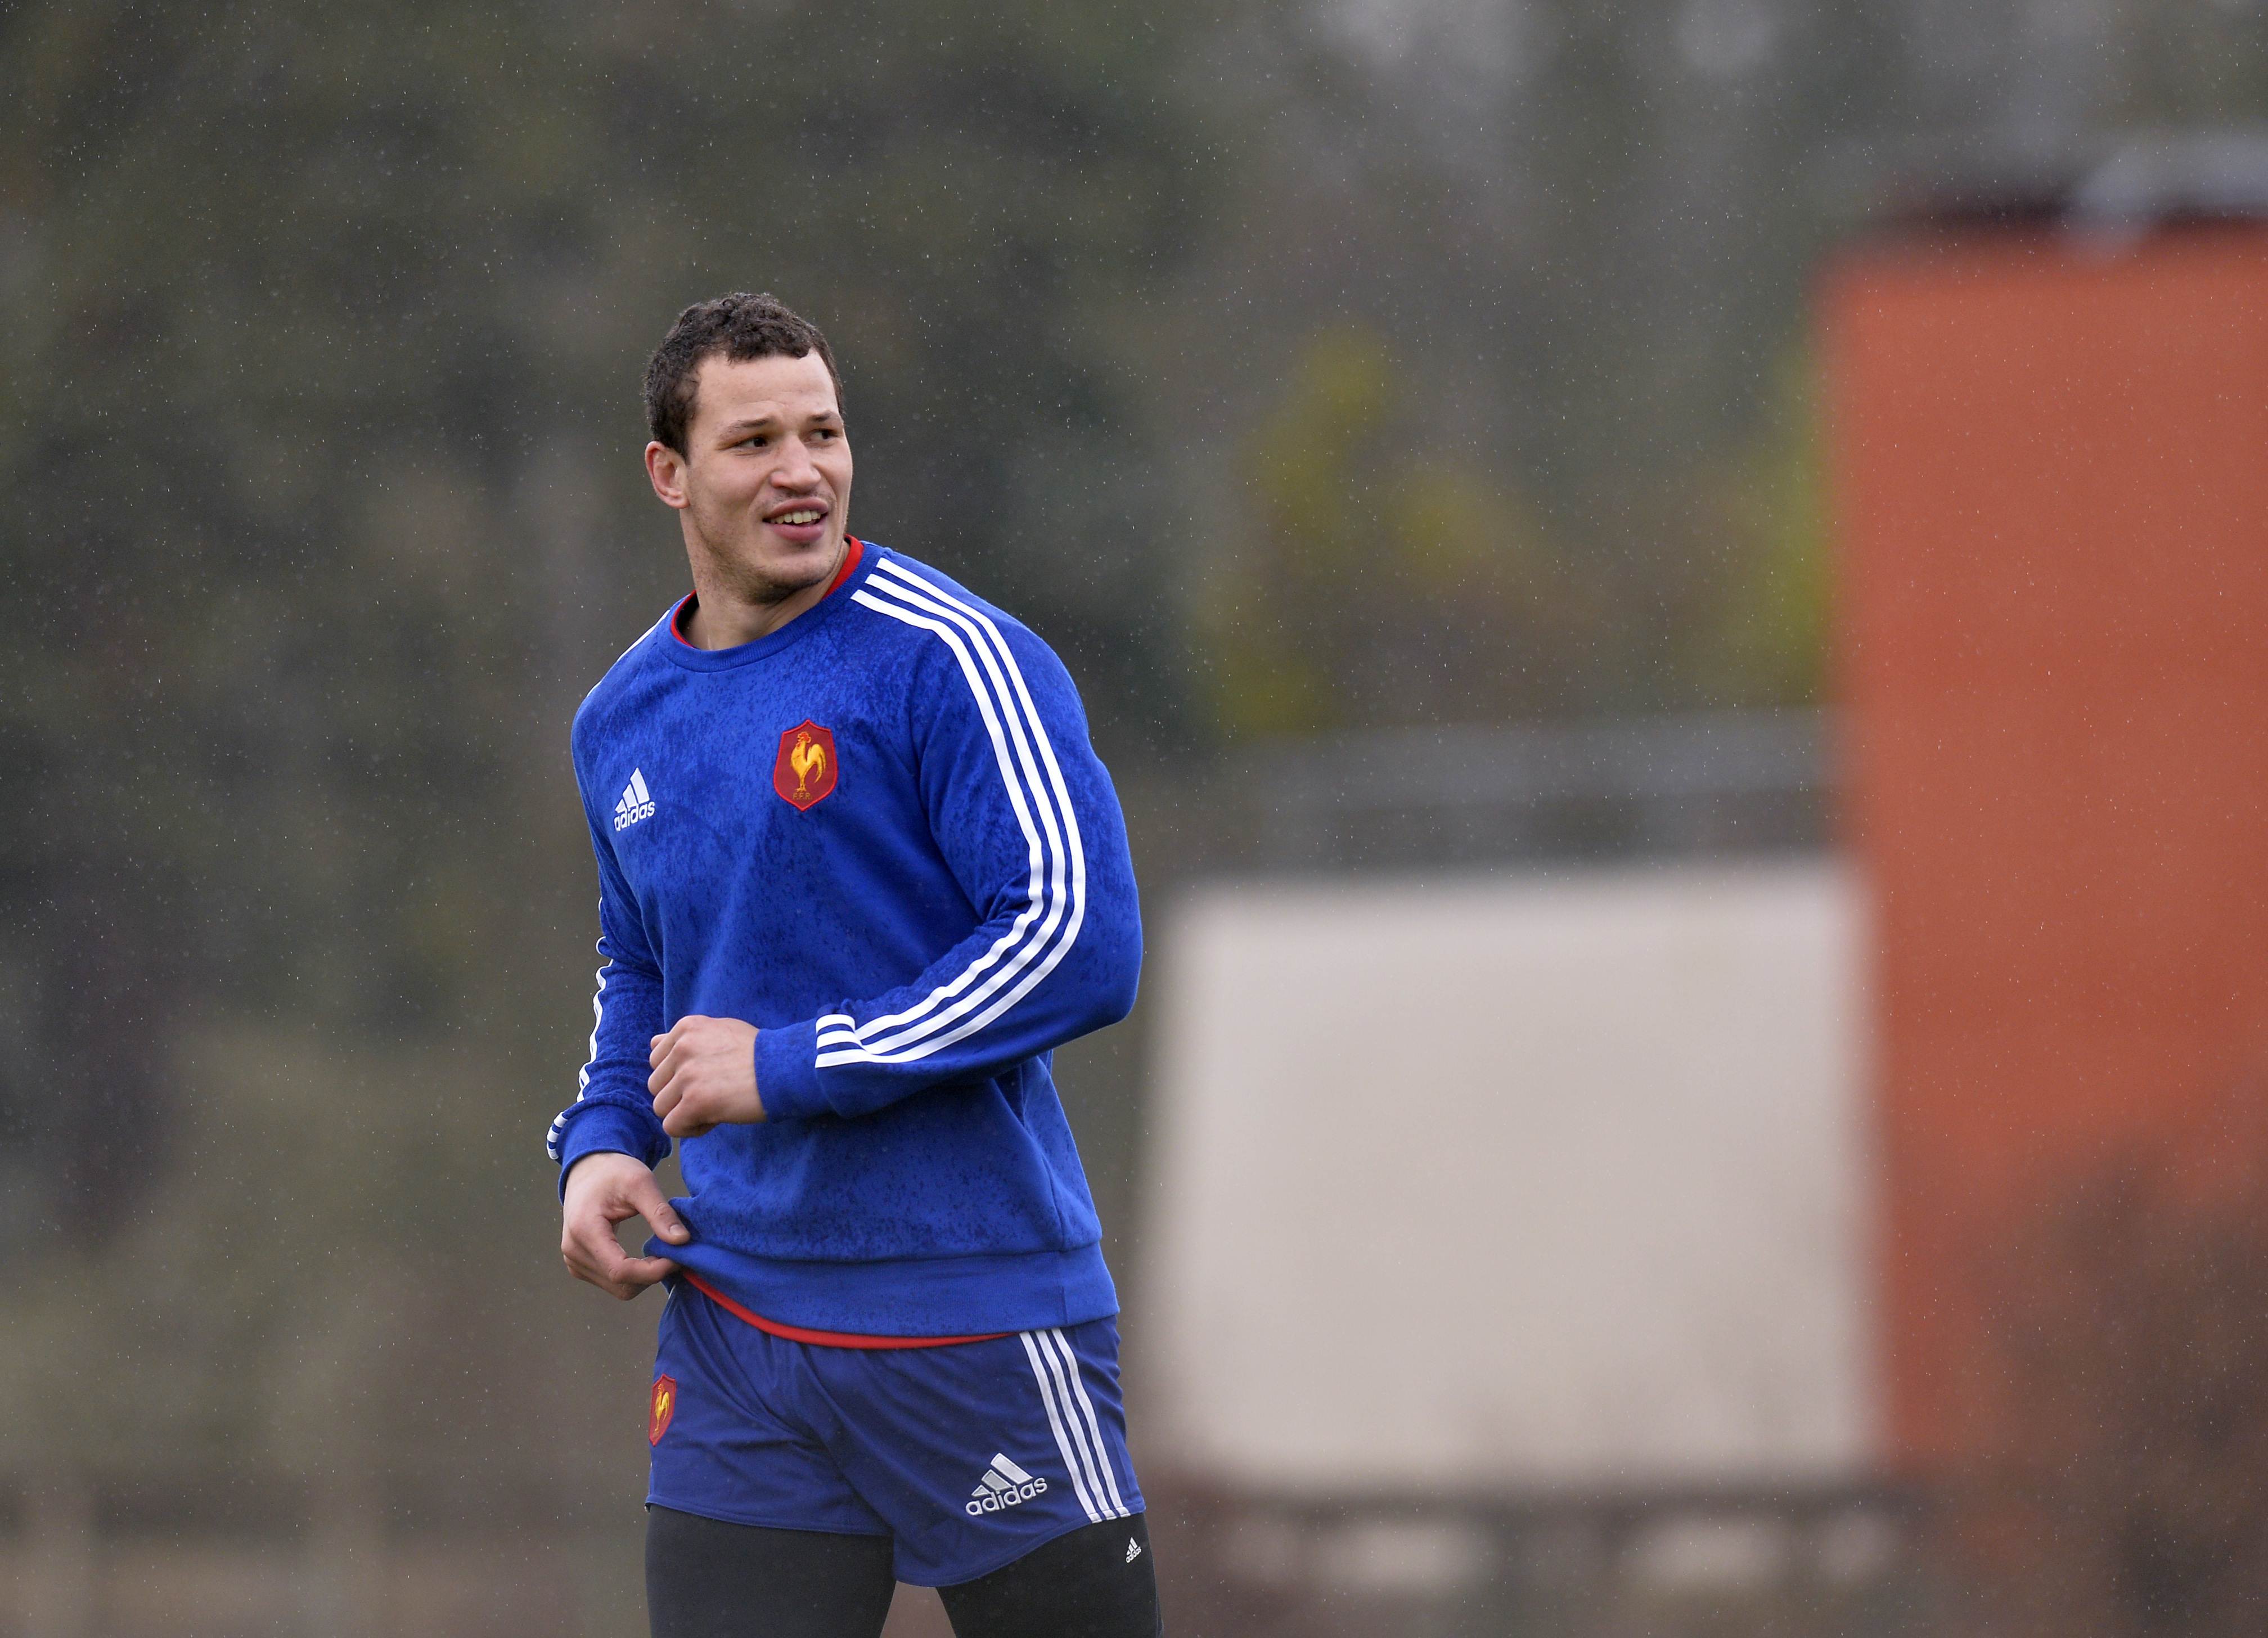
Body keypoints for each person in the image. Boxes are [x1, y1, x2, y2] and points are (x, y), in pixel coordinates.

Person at [544, 292, 1161, 1638]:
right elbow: (641, 961)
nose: (801, 470)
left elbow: (1078, 940)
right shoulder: (621, 720)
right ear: (670, 474)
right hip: (738, 1328)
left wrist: (791, 1062)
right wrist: (604, 1137)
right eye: (754, 439)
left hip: (973, 1316)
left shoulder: (951, 660)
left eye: (822, 431)